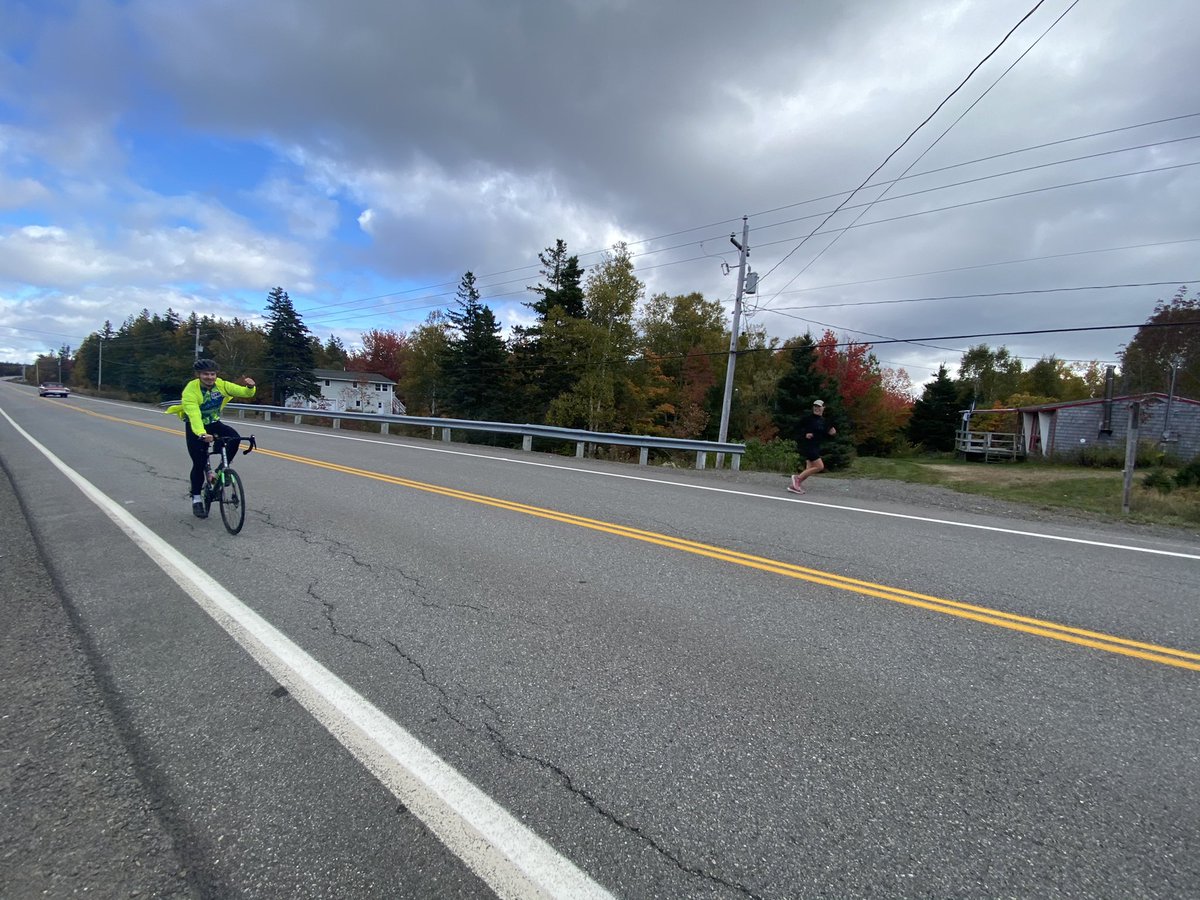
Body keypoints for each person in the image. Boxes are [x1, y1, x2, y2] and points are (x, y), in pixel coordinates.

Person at [166, 359, 256, 518]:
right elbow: (194, 415)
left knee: (234, 438)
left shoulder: (221, 385)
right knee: (199, 463)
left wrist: (250, 387)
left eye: (212, 374)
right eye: (205, 374)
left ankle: (222, 470)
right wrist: (201, 433)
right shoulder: (190, 390)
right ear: (198, 375)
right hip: (196, 426)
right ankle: (196, 498)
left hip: (214, 423)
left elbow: (244, 392)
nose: (210, 377)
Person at [788, 399, 836, 495]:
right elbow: (795, 428)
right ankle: (796, 479)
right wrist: (805, 434)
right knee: (819, 466)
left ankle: (794, 486)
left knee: (809, 468)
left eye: (819, 406)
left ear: (823, 408)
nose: (816, 408)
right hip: (808, 445)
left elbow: (829, 434)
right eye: (815, 406)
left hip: (816, 446)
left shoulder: (824, 421)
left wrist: (832, 431)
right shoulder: (808, 418)